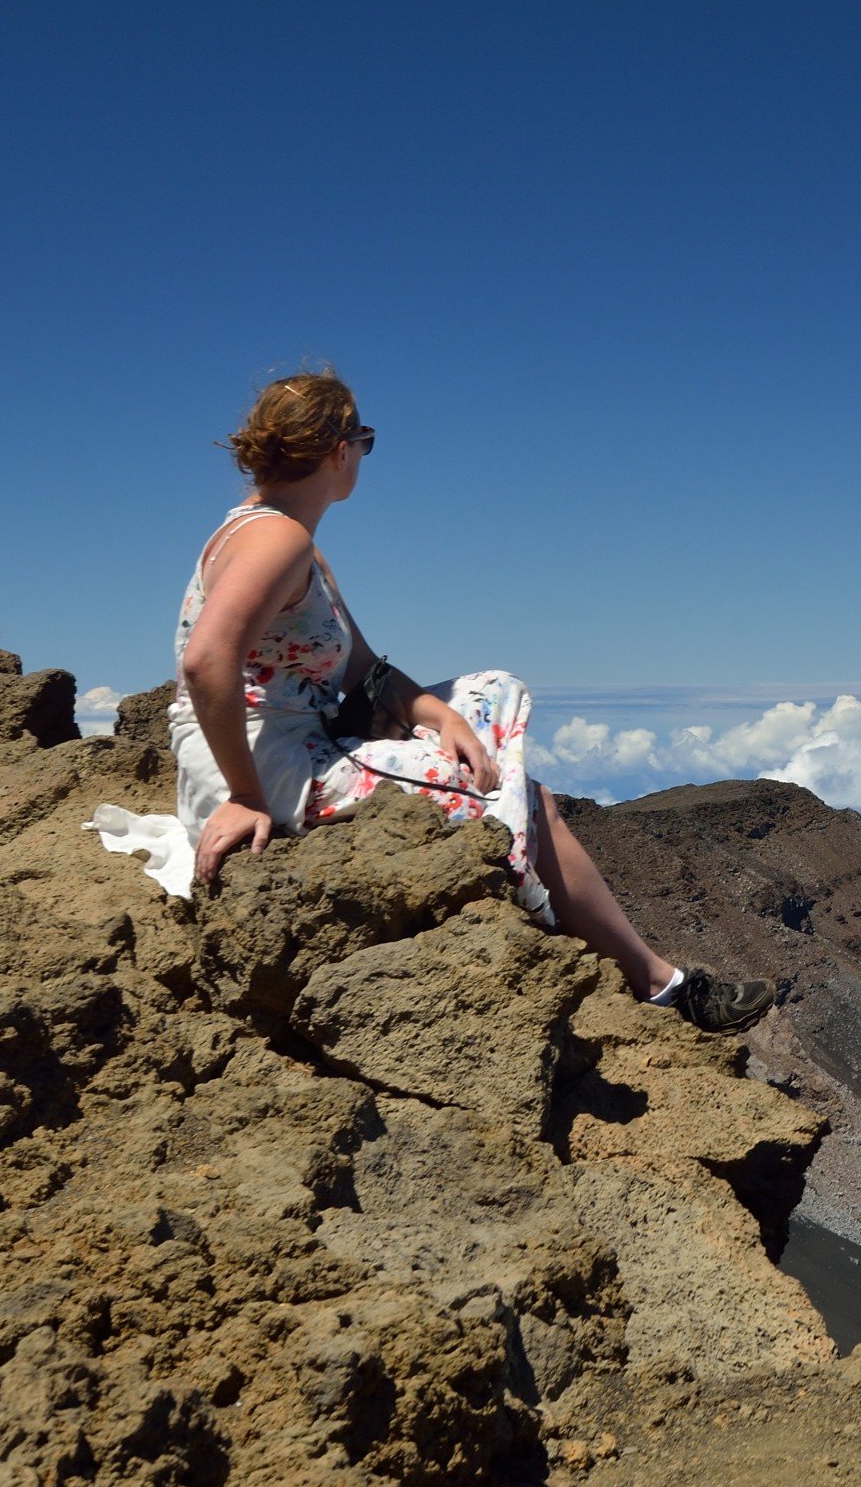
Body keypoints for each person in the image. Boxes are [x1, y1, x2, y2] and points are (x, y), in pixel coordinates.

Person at [172, 368, 771, 1033]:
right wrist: (246, 793)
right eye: (364, 442)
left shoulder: (285, 540)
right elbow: (206, 662)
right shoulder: (276, 538)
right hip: (267, 764)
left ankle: (657, 978)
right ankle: (664, 986)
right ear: (341, 451)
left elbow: (363, 668)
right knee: (517, 802)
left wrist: (443, 716)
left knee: (492, 694)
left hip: (282, 741)